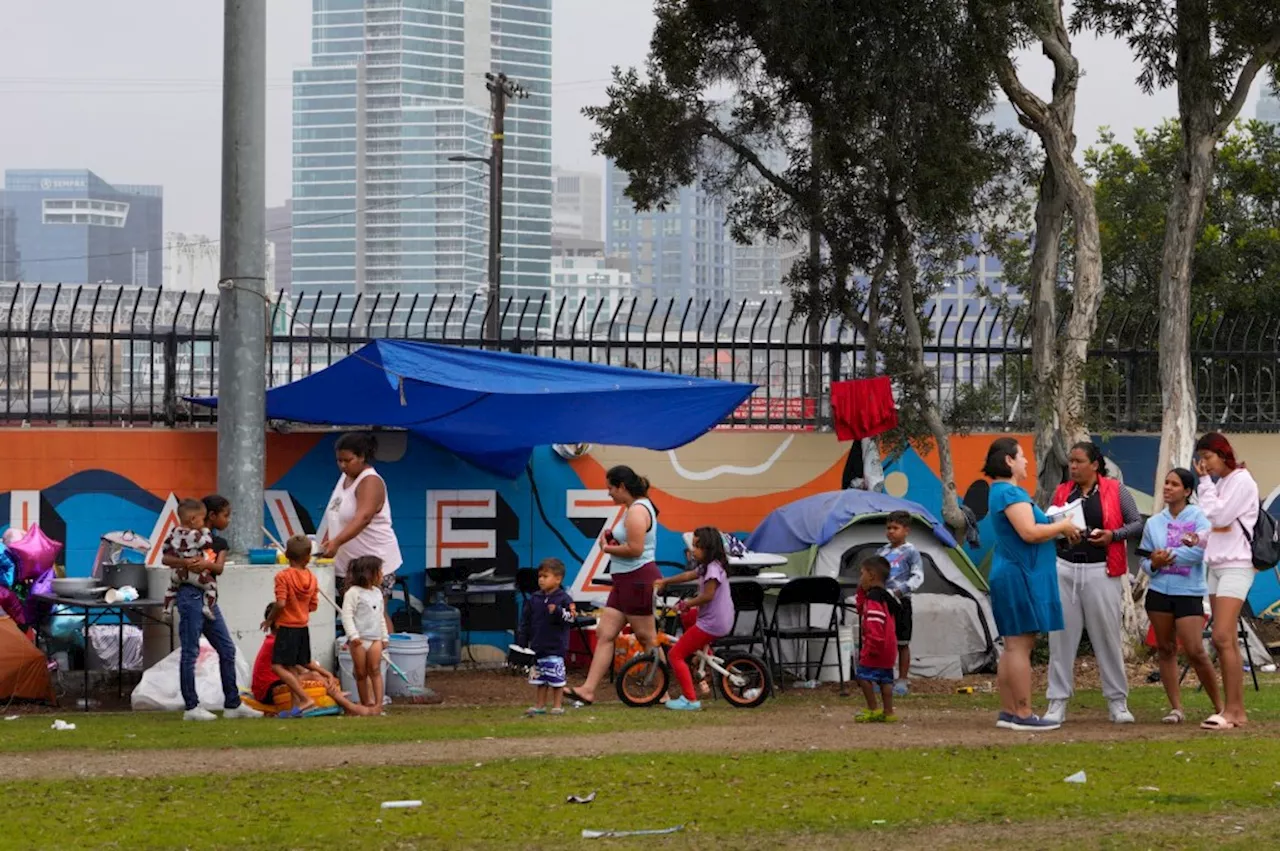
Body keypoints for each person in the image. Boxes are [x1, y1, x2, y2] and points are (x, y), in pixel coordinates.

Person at [984, 437, 1080, 732]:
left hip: (1013, 572)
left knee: (1012, 645)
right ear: (1008, 461)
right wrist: (1062, 526)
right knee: (1020, 645)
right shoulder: (1010, 493)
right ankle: (1024, 713)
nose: (1027, 462)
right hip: (1020, 574)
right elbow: (1029, 532)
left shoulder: (1000, 492)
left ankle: (1009, 711)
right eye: (1022, 456)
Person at [1045, 442, 1143, 726]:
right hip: (1065, 568)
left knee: (1107, 638)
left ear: (1095, 465)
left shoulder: (1115, 489)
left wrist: (1113, 535)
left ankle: (1117, 701)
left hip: (1102, 569)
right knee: (1060, 638)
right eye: (1070, 463)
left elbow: (1136, 523)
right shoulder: (1063, 491)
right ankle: (1057, 702)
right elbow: (1051, 523)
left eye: (1078, 461)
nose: (1072, 467)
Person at [161, 498, 263, 723]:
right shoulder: (182, 536)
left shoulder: (218, 542)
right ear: (210, 516)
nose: (228, 520)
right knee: (190, 651)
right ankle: (192, 706)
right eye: (225, 515)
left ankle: (232, 703)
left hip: (209, 599)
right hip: (189, 595)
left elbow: (218, 567)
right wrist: (186, 563)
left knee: (227, 649)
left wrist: (204, 564)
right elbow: (166, 558)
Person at [566, 466, 661, 706]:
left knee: (646, 637)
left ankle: (662, 690)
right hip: (624, 580)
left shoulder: (637, 511)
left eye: (611, 487)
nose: (609, 493)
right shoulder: (634, 508)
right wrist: (613, 540)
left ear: (622, 487)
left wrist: (607, 548)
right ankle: (587, 690)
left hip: (637, 578)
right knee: (605, 634)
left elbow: (636, 549)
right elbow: (630, 544)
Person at [1140, 468, 1219, 724]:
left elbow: (1200, 551)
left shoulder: (1199, 517)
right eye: (1165, 483)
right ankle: (1176, 708)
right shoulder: (1153, 523)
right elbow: (1145, 559)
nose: (1167, 488)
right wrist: (1154, 564)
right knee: (1166, 649)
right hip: (1159, 592)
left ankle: (1220, 707)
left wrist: (1165, 557)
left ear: (1187, 491)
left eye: (1174, 484)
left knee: (1195, 650)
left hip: (1189, 593)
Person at [1192, 432, 1259, 731]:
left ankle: (1234, 711)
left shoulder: (1242, 481)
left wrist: (1204, 484)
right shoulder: (1223, 483)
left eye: (1208, 458)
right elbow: (1217, 526)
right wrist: (1199, 538)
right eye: (1201, 460)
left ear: (1222, 454)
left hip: (1237, 566)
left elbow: (1218, 516)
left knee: (1220, 637)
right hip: (1217, 564)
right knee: (1226, 640)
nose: (1204, 466)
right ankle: (1233, 711)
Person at [320, 432, 403, 638]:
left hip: (374, 560)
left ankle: (382, 662)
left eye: (347, 460)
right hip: (346, 563)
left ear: (362, 457)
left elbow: (363, 517)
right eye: (339, 460)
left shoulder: (371, 481)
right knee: (353, 615)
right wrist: (325, 543)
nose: (342, 466)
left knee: (375, 614)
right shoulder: (344, 478)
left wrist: (337, 542)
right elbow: (335, 516)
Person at [653, 527, 734, 712]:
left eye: (697, 546)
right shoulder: (709, 565)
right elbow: (689, 575)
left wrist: (686, 603)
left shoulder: (712, 569)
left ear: (708, 548)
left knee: (675, 655)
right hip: (718, 618)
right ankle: (702, 659)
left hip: (713, 622)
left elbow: (708, 596)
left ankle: (690, 699)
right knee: (688, 618)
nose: (693, 550)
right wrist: (667, 581)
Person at [253, 603, 376, 717]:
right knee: (315, 676)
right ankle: (346, 704)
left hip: (272, 684)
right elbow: (305, 662)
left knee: (312, 674)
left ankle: (338, 697)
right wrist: (326, 674)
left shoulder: (276, 640)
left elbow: (300, 662)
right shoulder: (275, 642)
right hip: (268, 690)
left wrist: (324, 674)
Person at [263, 535, 321, 717]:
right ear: (308, 557)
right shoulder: (311, 578)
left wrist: (269, 620)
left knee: (277, 667)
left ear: (286, 554)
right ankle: (295, 709)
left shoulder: (283, 576)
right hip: (303, 628)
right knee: (291, 668)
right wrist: (301, 609)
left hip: (287, 627)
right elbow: (313, 605)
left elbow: (280, 603)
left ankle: (305, 699)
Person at [516, 558, 577, 716]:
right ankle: (540, 705)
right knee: (540, 679)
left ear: (558, 579)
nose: (541, 580)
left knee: (556, 679)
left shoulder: (564, 599)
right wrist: (523, 637)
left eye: (545, 576)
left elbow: (571, 618)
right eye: (540, 576)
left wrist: (557, 611)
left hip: (556, 646)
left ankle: (557, 705)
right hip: (538, 646)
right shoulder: (534, 599)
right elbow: (526, 620)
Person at [878, 510, 923, 696]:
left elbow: (918, 577)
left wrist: (899, 591)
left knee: (902, 642)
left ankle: (903, 679)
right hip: (882, 602)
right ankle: (882, 676)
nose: (890, 531)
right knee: (882, 641)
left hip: (902, 602)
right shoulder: (882, 551)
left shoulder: (911, 552)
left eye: (895, 528)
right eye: (888, 528)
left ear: (906, 530)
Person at [854, 555, 900, 723]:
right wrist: (860, 591)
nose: (860, 578)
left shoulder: (873, 599)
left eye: (862, 574)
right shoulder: (887, 596)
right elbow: (861, 609)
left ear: (871, 575)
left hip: (876, 644)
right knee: (885, 679)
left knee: (863, 676)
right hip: (890, 646)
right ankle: (888, 712)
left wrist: (871, 645)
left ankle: (873, 709)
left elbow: (874, 621)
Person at [341, 556, 390, 711]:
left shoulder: (377, 593)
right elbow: (346, 615)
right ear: (370, 573)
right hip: (359, 640)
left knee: (375, 670)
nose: (382, 575)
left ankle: (378, 704)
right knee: (361, 672)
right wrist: (353, 636)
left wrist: (384, 636)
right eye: (380, 571)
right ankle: (366, 702)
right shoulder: (353, 593)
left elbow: (380, 616)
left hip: (375, 639)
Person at [162, 498, 217, 620]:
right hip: (193, 573)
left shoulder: (174, 532)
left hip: (177, 572)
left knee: (172, 588)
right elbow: (207, 544)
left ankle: (167, 609)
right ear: (193, 519)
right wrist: (206, 531)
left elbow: (165, 548)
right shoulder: (195, 534)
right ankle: (208, 607)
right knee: (211, 586)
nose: (203, 523)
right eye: (202, 519)